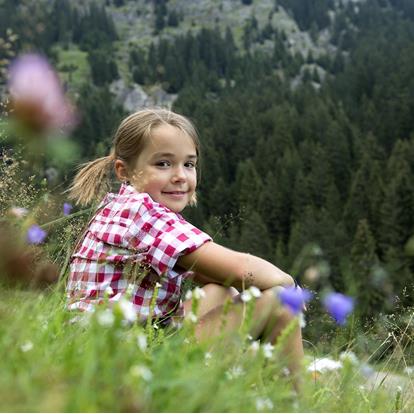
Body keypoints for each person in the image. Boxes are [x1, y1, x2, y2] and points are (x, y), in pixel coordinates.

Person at [66, 108, 304, 384]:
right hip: (123, 366)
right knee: (281, 301)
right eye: (164, 164)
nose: (180, 176)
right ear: (125, 170)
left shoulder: (120, 206)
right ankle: (295, 403)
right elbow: (241, 269)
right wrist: (290, 284)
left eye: (189, 164)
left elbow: (215, 275)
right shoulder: (142, 213)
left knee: (219, 289)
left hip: (100, 351)